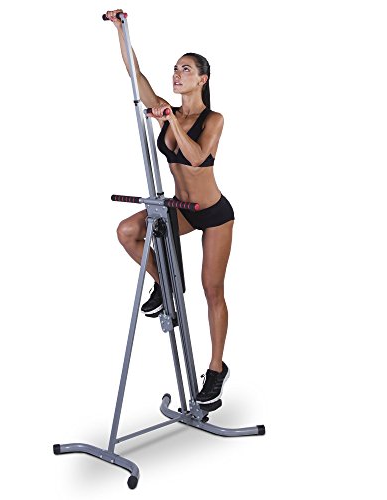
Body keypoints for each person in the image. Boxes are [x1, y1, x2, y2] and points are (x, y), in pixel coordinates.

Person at [106, 9, 233, 406]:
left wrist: (170, 121)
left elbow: (196, 157)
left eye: (185, 69)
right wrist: (121, 30)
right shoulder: (167, 109)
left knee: (212, 289)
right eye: (175, 69)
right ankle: (164, 283)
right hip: (181, 207)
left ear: (202, 79)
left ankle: (216, 369)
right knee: (128, 231)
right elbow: (136, 77)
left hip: (213, 213)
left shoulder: (213, 119)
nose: (177, 74)